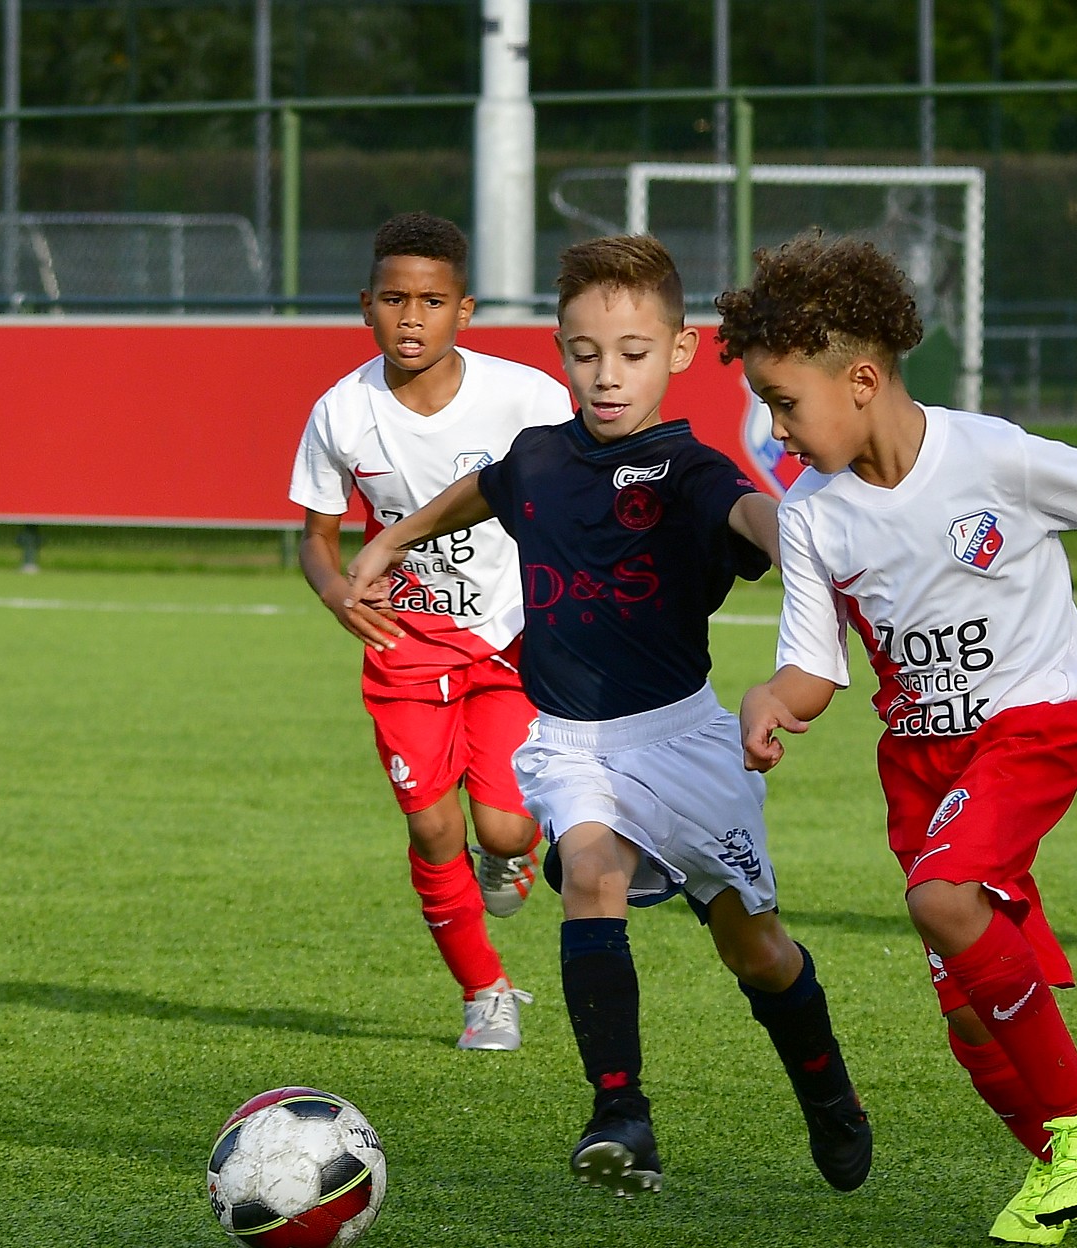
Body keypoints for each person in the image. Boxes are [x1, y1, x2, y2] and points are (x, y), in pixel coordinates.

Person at [729, 233, 1077, 1245]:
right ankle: (1062, 1168)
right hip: (921, 765)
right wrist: (770, 700)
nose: (776, 430)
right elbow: (815, 667)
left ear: (861, 380)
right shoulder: (813, 516)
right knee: (966, 1007)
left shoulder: (994, 455)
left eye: (784, 403)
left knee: (941, 898)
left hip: (1032, 722)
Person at [346, 235, 869, 1197]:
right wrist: (394, 539)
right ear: (561, 351)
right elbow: (487, 490)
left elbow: (754, 519)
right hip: (569, 742)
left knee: (756, 951)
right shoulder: (541, 457)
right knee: (588, 873)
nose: (607, 374)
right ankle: (620, 1114)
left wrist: (802, 534)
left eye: (632, 352)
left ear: (679, 351)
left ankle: (828, 1093)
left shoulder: (693, 472)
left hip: (685, 741)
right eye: (585, 353)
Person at [289, 212, 570, 1051]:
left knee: (504, 828)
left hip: (512, 639)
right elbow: (316, 537)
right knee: (431, 827)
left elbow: (573, 498)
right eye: (394, 300)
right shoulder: (341, 413)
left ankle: (510, 851)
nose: (412, 318)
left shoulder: (526, 398)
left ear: (465, 310)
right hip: (403, 647)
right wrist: (336, 592)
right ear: (365, 304)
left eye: (433, 301)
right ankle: (484, 992)